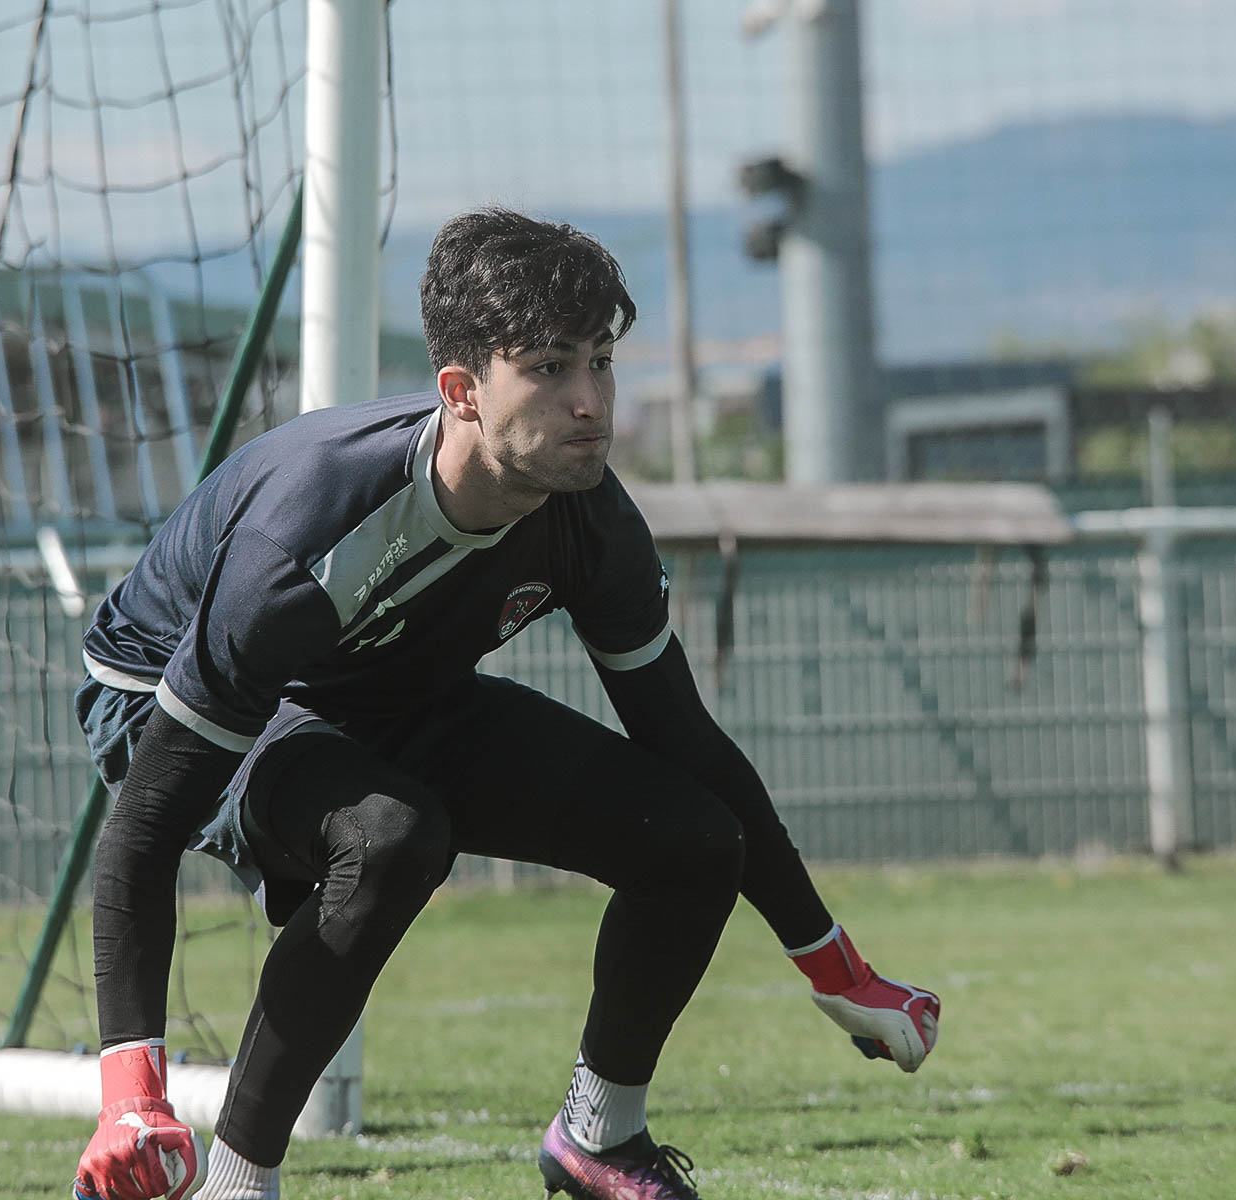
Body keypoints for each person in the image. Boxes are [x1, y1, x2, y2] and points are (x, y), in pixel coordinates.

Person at [69, 207, 940, 1200]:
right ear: (463, 392)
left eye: (601, 362)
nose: (590, 401)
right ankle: (236, 1185)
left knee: (694, 839)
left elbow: (685, 742)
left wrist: (837, 968)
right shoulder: (309, 542)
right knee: (393, 837)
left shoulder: (589, 520)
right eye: (550, 368)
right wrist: (131, 1096)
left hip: (388, 689)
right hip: (162, 699)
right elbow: (145, 826)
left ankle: (600, 1139)